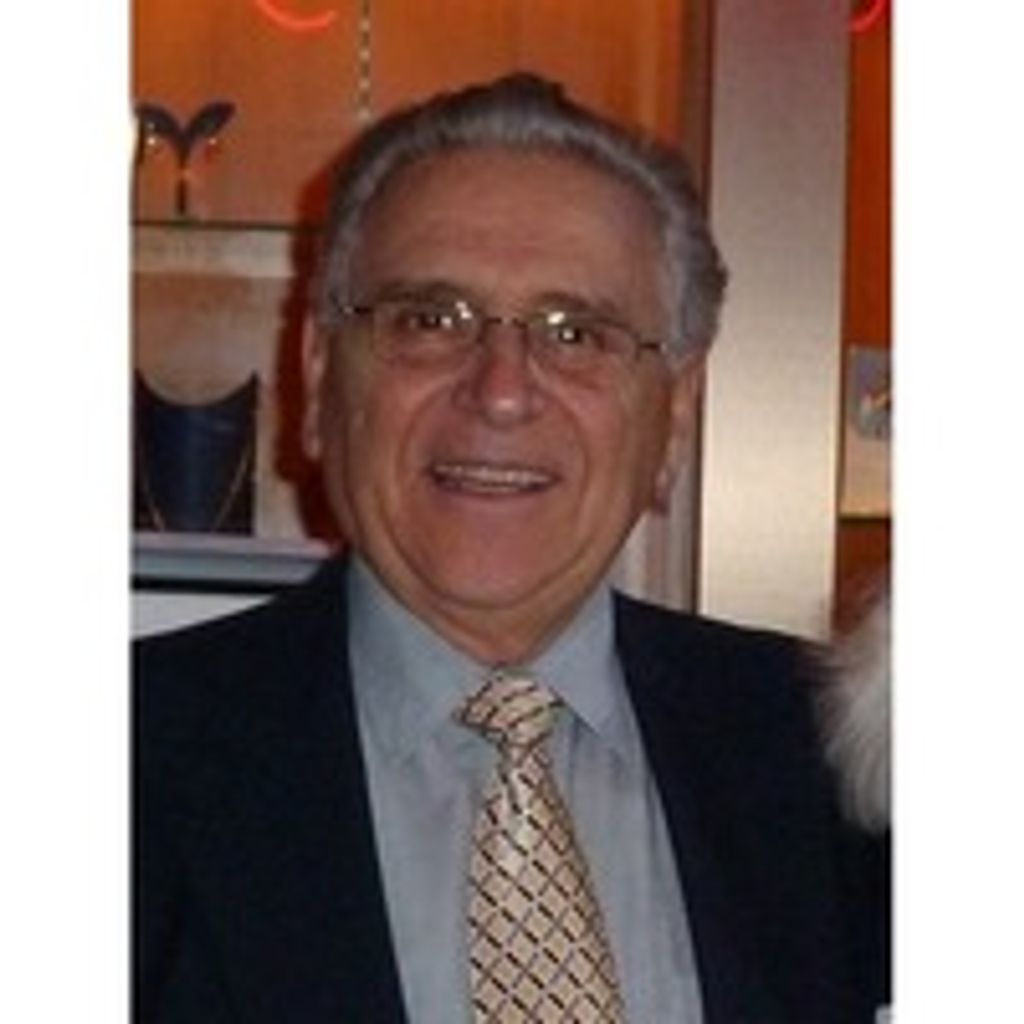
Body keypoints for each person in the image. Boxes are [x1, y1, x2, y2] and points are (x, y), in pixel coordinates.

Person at [134, 74, 889, 1023]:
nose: (500, 391)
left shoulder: (845, 759)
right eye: (429, 321)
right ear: (320, 378)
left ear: (675, 414)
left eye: (577, 333)